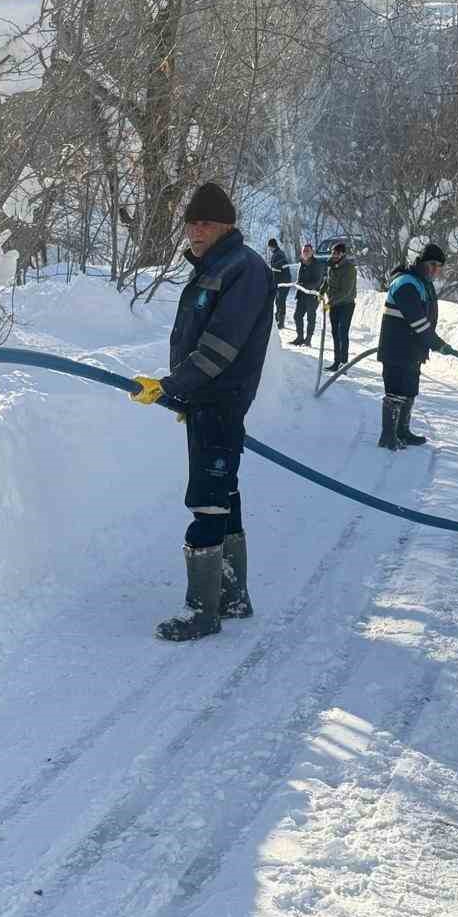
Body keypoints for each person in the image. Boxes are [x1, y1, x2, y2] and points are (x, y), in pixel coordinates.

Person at [131, 181, 275, 642]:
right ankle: (232, 596)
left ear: (226, 225)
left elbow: (220, 346)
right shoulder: (216, 266)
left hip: (222, 397)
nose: (194, 231)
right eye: (190, 223)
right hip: (206, 399)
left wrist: (175, 387)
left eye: (204, 223)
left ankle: (203, 611)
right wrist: (184, 395)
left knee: (208, 499)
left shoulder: (243, 269)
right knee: (223, 492)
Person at [377, 242, 451, 450]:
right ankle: (388, 436)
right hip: (397, 348)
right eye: (433, 264)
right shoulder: (406, 283)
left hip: (412, 350)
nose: (436, 270)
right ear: (423, 262)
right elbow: (417, 321)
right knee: (396, 391)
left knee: (409, 390)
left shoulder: (422, 283)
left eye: (439, 266)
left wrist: (429, 344)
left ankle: (403, 431)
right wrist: (437, 344)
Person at [320, 241, 357, 371]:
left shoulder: (349, 268)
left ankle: (343, 363)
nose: (334, 255)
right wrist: (321, 292)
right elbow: (327, 281)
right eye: (333, 253)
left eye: (337, 253)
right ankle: (336, 361)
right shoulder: (331, 265)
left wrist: (329, 302)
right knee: (335, 332)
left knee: (342, 332)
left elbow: (346, 291)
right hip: (334, 304)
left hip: (346, 304)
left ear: (343, 254)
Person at [291, 243, 323, 345]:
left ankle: (308, 339)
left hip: (312, 294)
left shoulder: (316, 264)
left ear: (312, 252)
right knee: (297, 316)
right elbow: (300, 278)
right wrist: (298, 284)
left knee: (310, 317)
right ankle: (299, 337)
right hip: (302, 295)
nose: (305, 253)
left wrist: (304, 285)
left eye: (307, 251)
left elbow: (317, 281)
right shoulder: (301, 263)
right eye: (304, 251)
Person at [267, 237, 292, 331]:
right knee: (278, 301)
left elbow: (284, 264)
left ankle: (281, 322)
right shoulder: (277, 253)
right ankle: (277, 318)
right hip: (279, 282)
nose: (270, 249)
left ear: (272, 246)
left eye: (270, 247)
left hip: (284, 282)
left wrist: (273, 267)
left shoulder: (279, 254)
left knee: (281, 302)